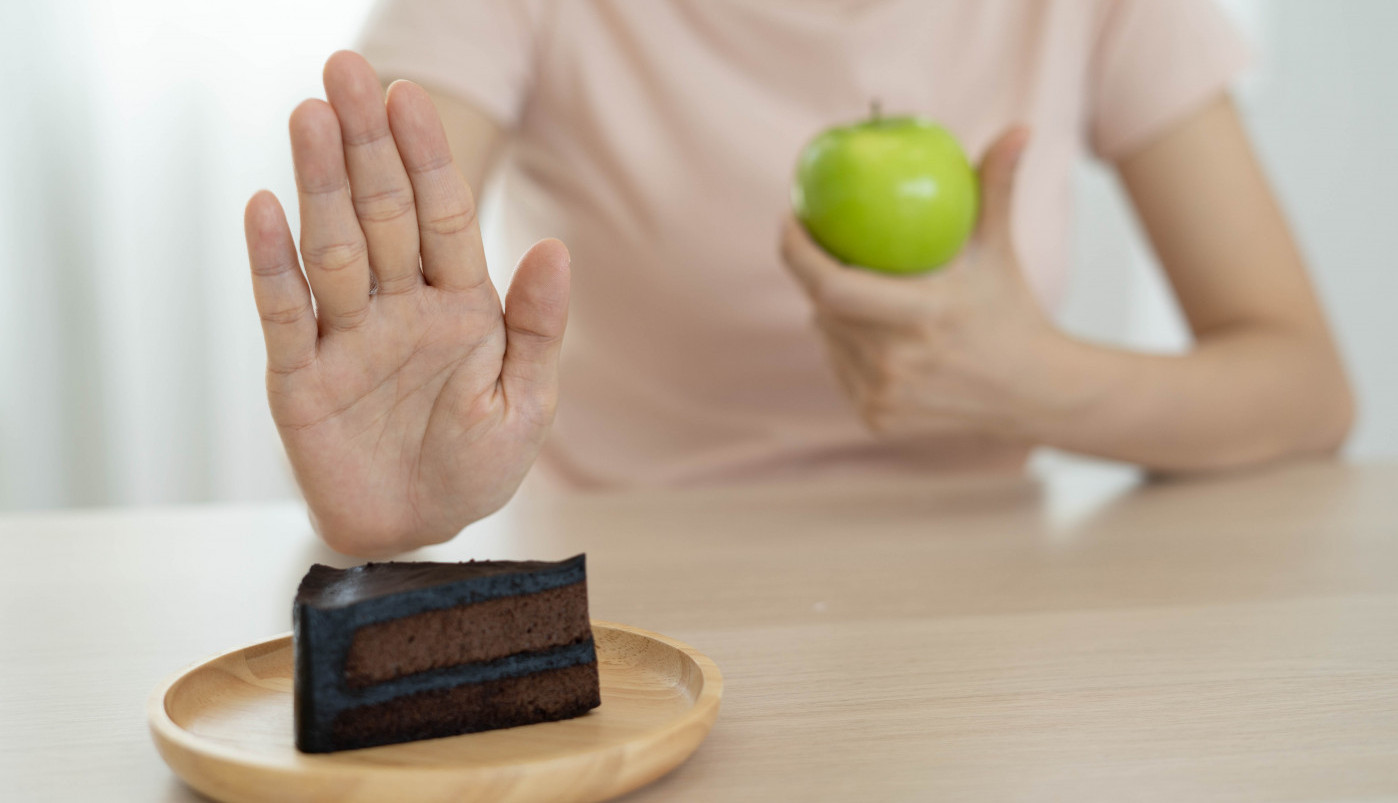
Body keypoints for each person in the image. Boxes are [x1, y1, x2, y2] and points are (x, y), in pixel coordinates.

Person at [242, 0, 1353, 557]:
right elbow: (383, 275)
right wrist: (394, 495)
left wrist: (1038, 384)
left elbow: (1305, 385)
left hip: (1000, 602)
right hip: (642, 623)